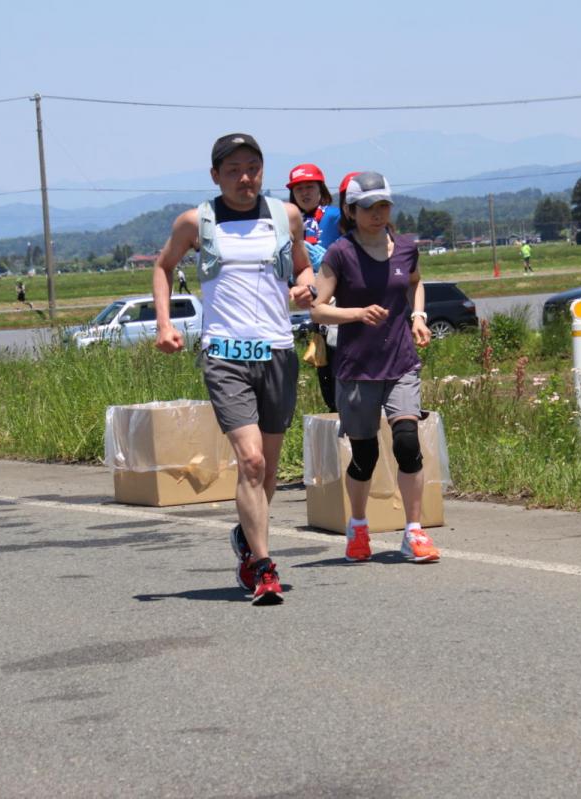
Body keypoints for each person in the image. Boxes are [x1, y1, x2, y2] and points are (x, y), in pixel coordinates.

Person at [152, 133, 314, 605]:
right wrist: (165, 325)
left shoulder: (285, 217)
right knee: (251, 460)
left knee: (268, 471)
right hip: (225, 354)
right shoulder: (196, 222)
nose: (245, 178)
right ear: (215, 176)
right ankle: (264, 568)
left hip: (278, 352)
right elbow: (163, 268)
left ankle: (247, 539)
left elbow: (303, 269)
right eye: (233, 170)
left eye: (253, 168)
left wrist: (307, 290)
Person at [310, 171, 441, 565]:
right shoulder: (340, 253)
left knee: (407, 443)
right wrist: (355, 313)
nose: (378, 214)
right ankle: (359, 527)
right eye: (369, 207)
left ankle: (414, 532)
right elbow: (317, 307)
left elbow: (415, 283)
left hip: (400, 361)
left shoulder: (405, 248)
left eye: (384, 205)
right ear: (350, 210)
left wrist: (418, 316)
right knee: (364, 456)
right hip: (355, 367)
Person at [287, 163, 340, 411]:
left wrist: (329, 257)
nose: (305, 193)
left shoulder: (334, 215)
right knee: (325, 366)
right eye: (299, 190)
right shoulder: (289, 221)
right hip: (313, 305)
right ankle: (334, 410)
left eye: (309, 187)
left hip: (339, 299)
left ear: (320, 188)